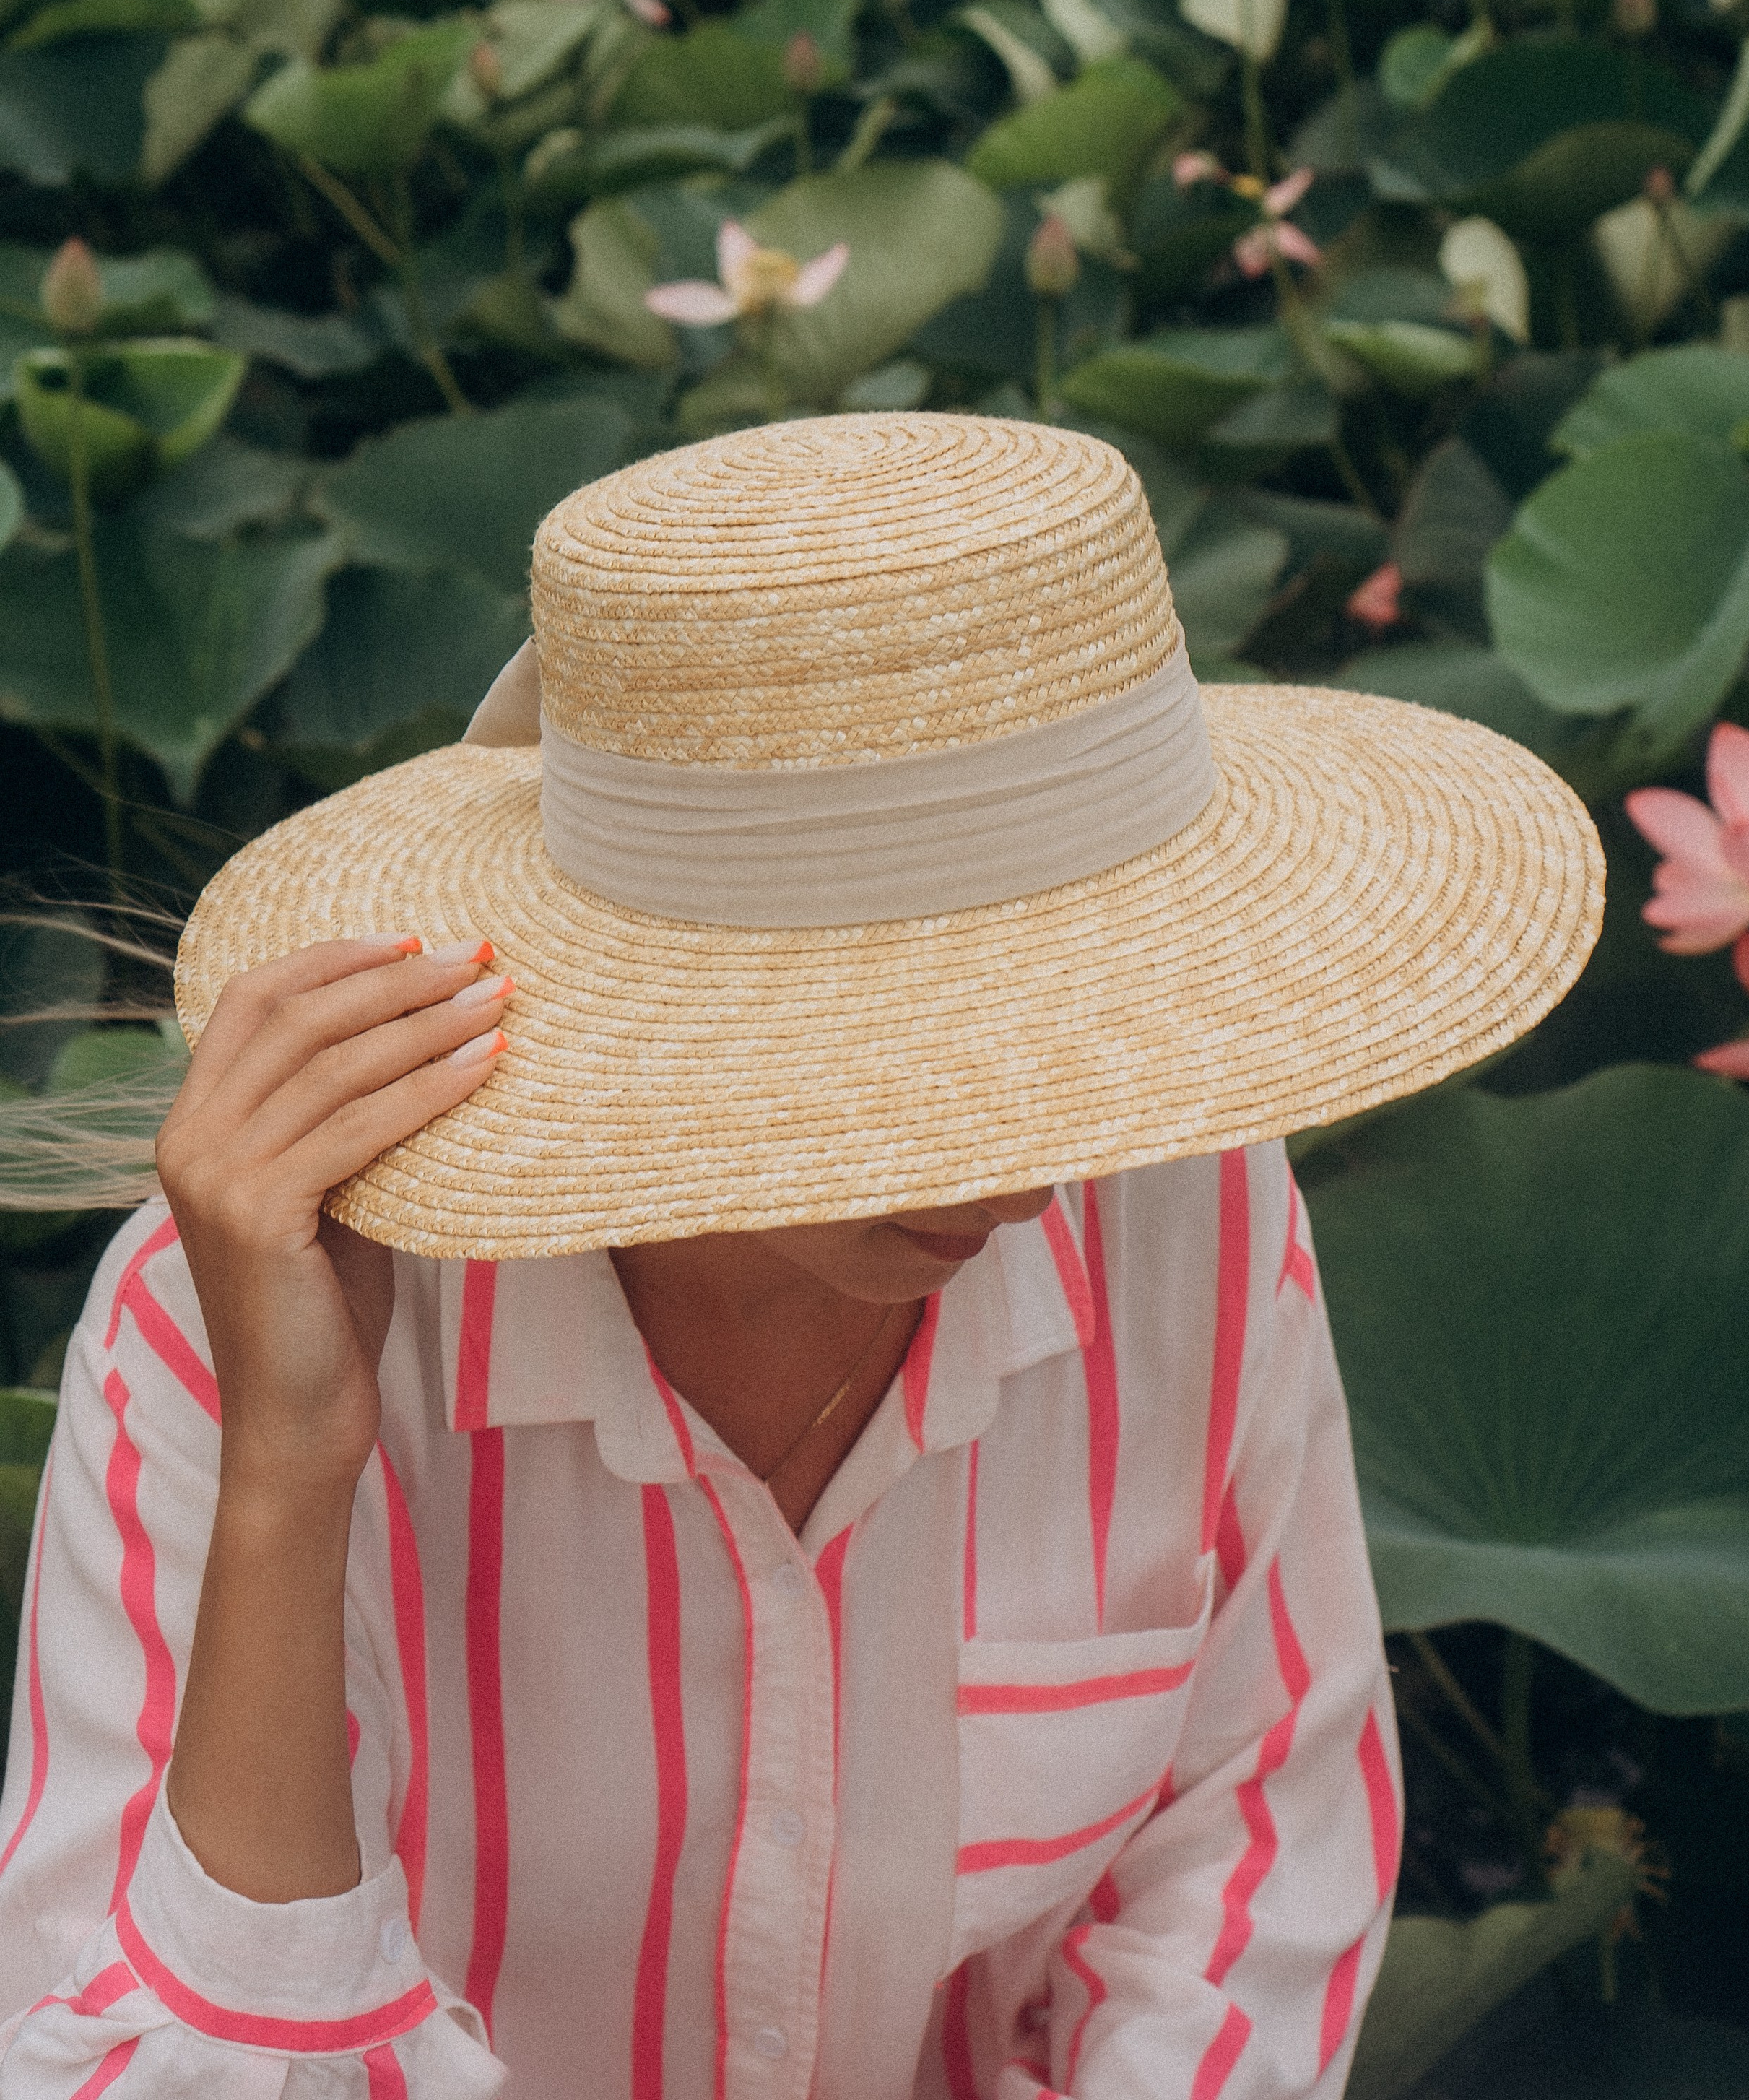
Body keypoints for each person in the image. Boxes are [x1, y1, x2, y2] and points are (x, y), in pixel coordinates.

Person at [0, 413, 1602, 2099]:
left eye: (1078, 1013)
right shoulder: (234, 1332)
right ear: (633, 986)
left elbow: (1242, 1874)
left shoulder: (1187, 1210)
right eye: (883, 1045)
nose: (1013, 1154)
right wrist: (289, 1477)